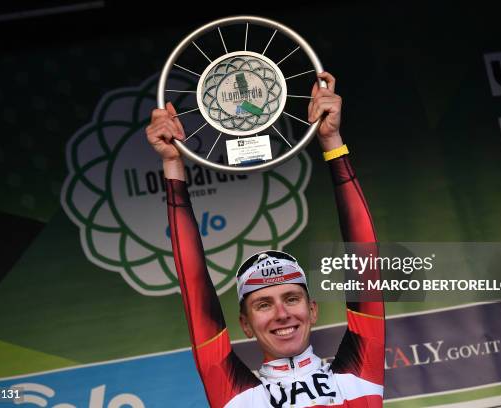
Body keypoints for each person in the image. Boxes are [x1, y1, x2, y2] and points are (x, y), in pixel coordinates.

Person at [147, 72, 384, 407]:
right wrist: (172, 165)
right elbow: (195, 284)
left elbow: (365, 264)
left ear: (312, 310)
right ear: (245, 324)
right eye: (263, 304)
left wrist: (332, 140)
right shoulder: (239, 398)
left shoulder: (359, 375)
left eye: (291, 298)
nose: (282, 314)